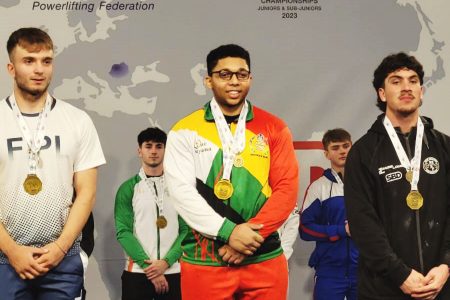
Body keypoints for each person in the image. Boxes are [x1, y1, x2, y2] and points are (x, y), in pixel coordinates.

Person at [164, 44, 298, 300]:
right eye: (224, 74)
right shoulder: (184, 131)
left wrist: (247, 240)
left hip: (263, 259)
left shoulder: (274, 127)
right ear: (208, 80)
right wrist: (229, 232)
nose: (234, 81)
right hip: (206, 261)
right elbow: (182, 193)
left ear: (250, 78)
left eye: (242, 74)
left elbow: (287, 189)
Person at [0, 27, 106, 299]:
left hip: (62, 257)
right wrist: (12, 251)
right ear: (11, 68)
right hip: (4, 258)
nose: (39, 70)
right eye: (29, 61)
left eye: (46, 61)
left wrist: (59, 249)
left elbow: (86, 192)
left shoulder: (78, 120)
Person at [345, 52, 450, 299]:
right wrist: (400, 274)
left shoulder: (444, 147)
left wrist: (446, 264)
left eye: (413, 81)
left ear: (421, 91)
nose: (406, 87)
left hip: (441, 285)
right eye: (396, 80)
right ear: (382, 93)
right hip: (384, 288)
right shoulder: (363, 152)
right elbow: (362, 224)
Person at [115, 127, 183, 300]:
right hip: (137, 272)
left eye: (159, 146)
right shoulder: (128, 189)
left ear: (166, 150)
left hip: (173, 271)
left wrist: (165, 263)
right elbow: (123, 232)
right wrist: (152, 270)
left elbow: (187, 230)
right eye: (148, 146)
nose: (153, 151)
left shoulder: (179, 188)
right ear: (139, 150)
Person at [299, 128, 358, 300]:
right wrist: (341, 230)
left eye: (346, 146)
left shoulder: (367, 184)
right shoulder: (319, 187)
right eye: (335, 147)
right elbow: (305, 229)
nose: (342, 151)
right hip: (330, 271)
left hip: (364, 269)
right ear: (326, 154)